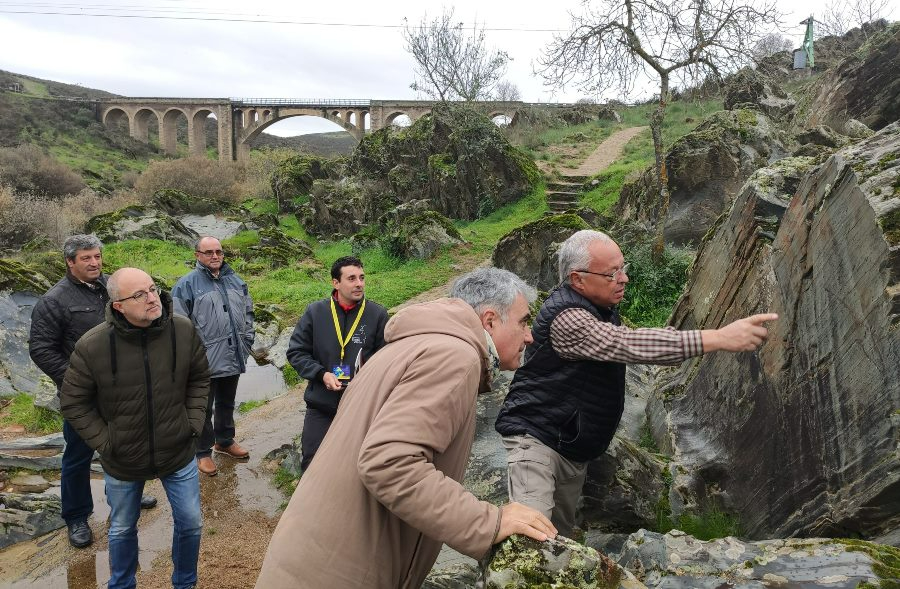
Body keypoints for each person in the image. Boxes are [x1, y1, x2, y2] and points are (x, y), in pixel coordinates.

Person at [255, 267, 557, 589]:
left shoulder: (411, 345)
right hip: (342, 573)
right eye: (524, 321)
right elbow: (388, 463)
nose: (529, 336)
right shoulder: (455, 356)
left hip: (312, 556)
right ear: (490, 320)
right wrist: (488, 522)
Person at [495, 229, 778, 537]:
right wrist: (719, 337)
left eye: (622, 268)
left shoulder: (596, 304)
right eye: (611, 273)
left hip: (570, 444)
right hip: (536, 441)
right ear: (577, 280)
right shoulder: (567, 319)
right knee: (530, 533)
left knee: (558, 535)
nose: (624, 278)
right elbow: (626, 344)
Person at [60, 268, 210, 589]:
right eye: (139, 295)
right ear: (118, 306)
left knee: (191, 523)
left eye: (152, 289)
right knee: (122, 528)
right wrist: (106, 441)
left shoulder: (182, 331)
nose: (152, 298)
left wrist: (192, 424)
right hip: (123, 458)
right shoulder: (93, 346)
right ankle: (122, 584)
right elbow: (73, 402)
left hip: (178, 449)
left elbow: (199, 378)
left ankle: (185, 583)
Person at [28, 234, 157, 550]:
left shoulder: (108, 288)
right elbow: (41, 349)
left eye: (97, 256)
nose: (95, 263)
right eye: (86, 258)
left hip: (120, 389)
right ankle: (76, 517)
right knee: (78, 455)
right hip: (83, 397)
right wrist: (74, 381)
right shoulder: (54, 301)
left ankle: (128, 495)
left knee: (125, 443)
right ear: (70, 262)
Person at [286, 256, 388, 471]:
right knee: (313, 462)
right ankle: (310, 504)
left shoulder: (377, 314)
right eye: (351, 278)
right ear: (336, 283)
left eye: (361, 278)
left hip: (361, 406)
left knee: (357, 466)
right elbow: (296, 352)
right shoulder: (316, 312)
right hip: (322, 403)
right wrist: (321, 374)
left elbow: (386, 360)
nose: (359, 283)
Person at [172, 236, 255, 477]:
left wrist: (247, 340)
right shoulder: (186, 285)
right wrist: (190, 357)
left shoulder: (235, 280)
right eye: (208, 252)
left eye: (218, 251)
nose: (215, 256)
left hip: (233, 353)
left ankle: (225, 440)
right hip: (203, 360)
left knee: (227, 402)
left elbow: (248, 311)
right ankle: (202, 451)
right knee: (201, 407)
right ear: (197, 255)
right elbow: (177, 324)